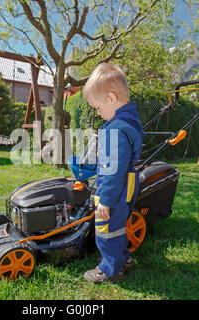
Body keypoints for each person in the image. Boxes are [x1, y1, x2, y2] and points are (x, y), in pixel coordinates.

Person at [82, 63, 144, 284]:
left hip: (113, 190)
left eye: (97, 107)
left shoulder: (115, 130)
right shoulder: (128, 123)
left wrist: (105, 201)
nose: (98, 113)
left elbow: (111, 171)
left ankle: (110, 270)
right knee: (118, 227)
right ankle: (123, 260)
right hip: (126, 185)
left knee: (106, 232)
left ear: (111, 98)